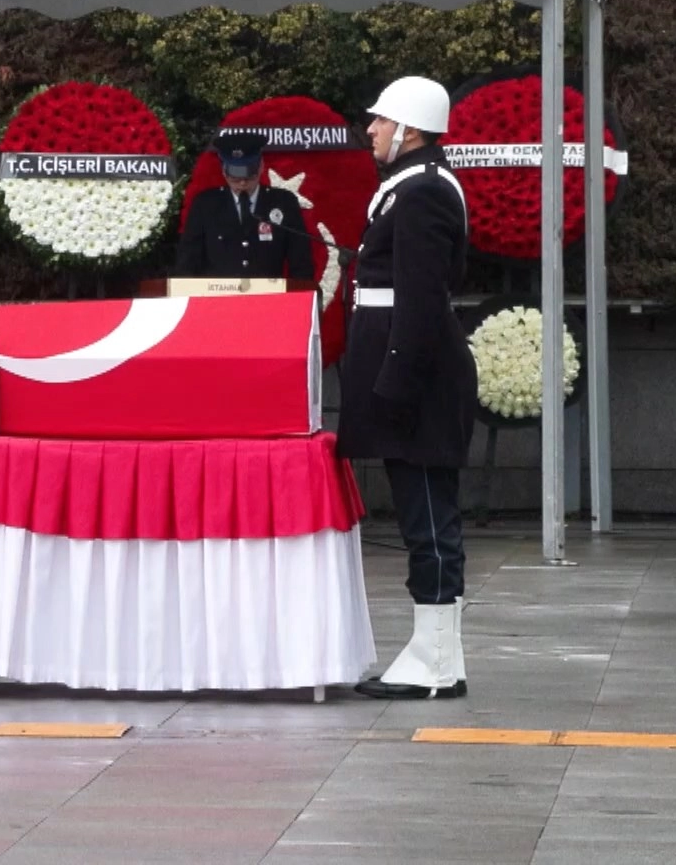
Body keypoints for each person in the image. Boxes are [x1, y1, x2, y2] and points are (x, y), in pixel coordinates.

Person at [337, 76, 475, 700]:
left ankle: (435, 663)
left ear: (410, 129)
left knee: (427, 519)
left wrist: (393, 384)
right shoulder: (411, 186)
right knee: (425, 515)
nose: (371, 129)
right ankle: (439, 655)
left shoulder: (423, 192)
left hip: (417, 384)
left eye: (382, 120)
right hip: (411, 378)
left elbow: (419, 301)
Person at [175, 131, 314, 282]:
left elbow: (301, 264)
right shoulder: (205, 204)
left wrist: (302, 293)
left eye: (249, 176)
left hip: (269, 295)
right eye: (235, 178)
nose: (242, 183)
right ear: (224, 171)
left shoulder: (283, 202)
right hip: (218, 295)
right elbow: (187, 263)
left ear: (261, 167)